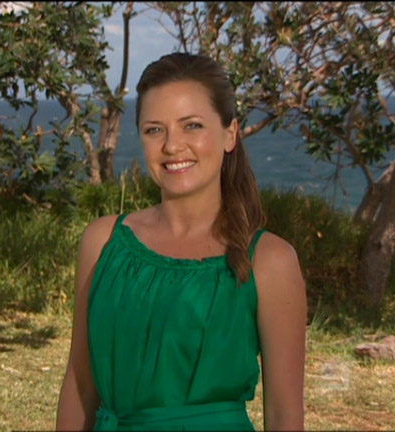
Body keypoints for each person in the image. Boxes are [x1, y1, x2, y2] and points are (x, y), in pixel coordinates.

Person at [56, 52, 307, 431]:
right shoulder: (103, 242)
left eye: (192, 125)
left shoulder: (270, 260)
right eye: (154, 130)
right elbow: (80, 384)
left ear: (230, 134)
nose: (172, 146)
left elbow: (285, 416)